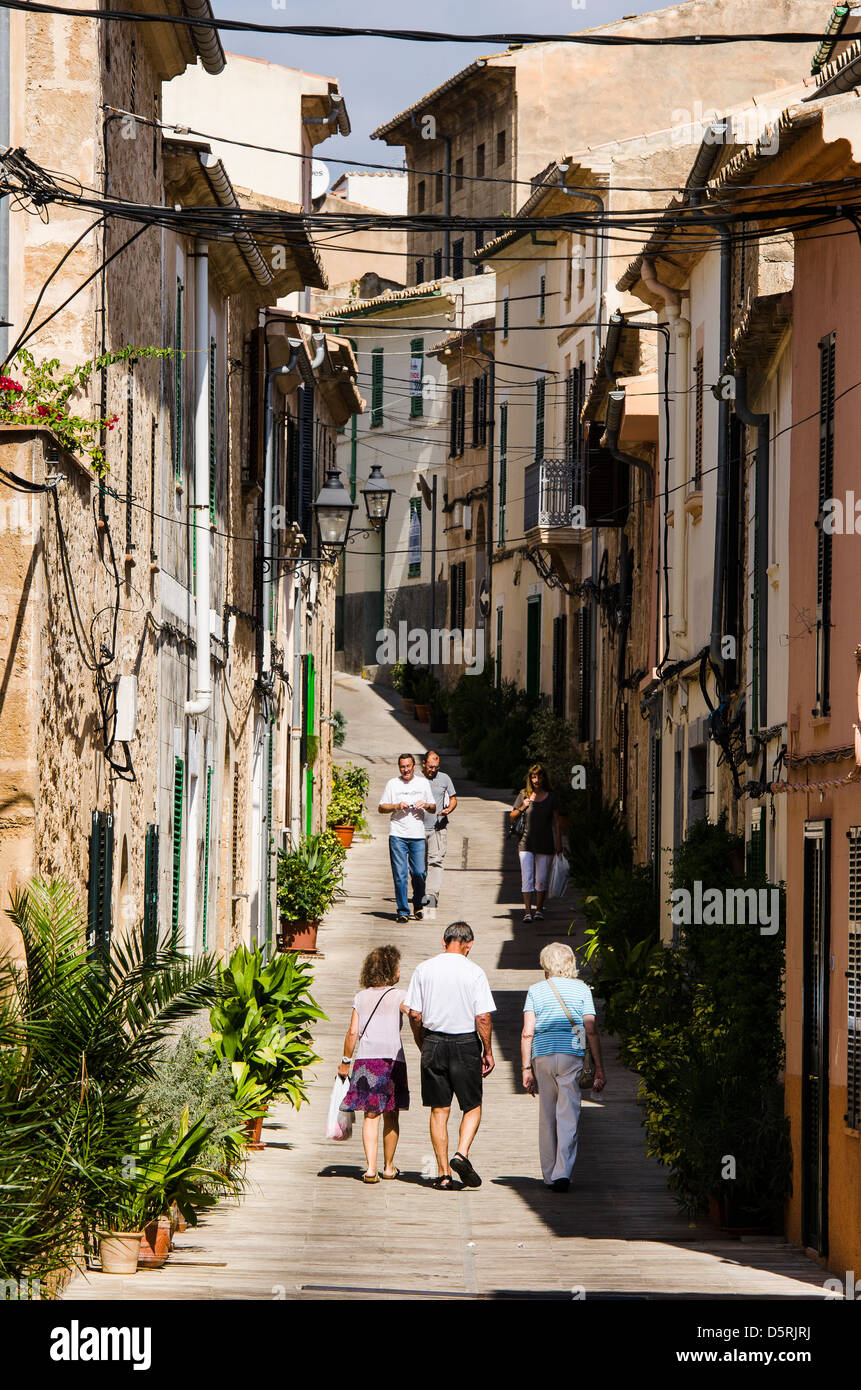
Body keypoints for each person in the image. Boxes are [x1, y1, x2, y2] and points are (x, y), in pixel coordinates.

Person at [404, 921, 496, 1190]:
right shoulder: (475, 972)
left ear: (444, 942)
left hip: (433, 1041)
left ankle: (443, 1173)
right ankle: (461, 1154)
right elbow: (483, 1017)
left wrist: (420, 1038)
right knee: (472, 1106)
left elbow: (414, 1013)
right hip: (465, 1043)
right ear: (469, 945)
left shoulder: (424, 969)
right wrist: (487, 1051)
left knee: (438, 1110)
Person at [520, 941, 605, 1192]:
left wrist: (526, 1069)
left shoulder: (536, 990)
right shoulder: (582, 990)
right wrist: (599, 1066)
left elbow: (527, 1032)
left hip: (543, 1056)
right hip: (571, 1055)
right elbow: (589, 1028)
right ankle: (562, 1173)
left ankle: (548, 1174)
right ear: (570, 964)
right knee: (568, 1115)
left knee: (546, 1115)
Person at [338, 945, 411, 1183]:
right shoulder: (399, 995)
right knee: (391, 1113)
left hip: (366, 1061)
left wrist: (345, 1062)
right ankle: (389, 1167)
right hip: (392, 1059)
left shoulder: (360, 997)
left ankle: (370, 1169)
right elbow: (413, 1013)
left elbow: (352, 1033)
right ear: (392, 970)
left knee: (371, 1114)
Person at [378, 753, 435, 922]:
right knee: (400, 875)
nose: (405, 770)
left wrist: (424, 804)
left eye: (408, 766)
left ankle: (418, 905)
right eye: (402, 767)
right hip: (398, 835)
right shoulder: (392, 784)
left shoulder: (423, 783)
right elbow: (381, 808)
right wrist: (396, 806)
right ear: (399, 768)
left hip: (417, 835)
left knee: (419, 873)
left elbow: (433, 807)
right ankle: (402, 911)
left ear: (414, 767)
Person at [509, 763, 562, 922]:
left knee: (541, 879)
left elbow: (557, 822)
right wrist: (523, 807)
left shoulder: (551, 796)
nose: (536, 780)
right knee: (527, 878)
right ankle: (527, 912)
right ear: (530, 778)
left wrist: (559, 843)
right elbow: (512, 816)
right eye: (533, 777)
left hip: (545, 843)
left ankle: (539, 909)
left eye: (539, 776)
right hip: (525, 843)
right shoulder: (524, 795)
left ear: (544, 778)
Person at [421, 749, 458, 911]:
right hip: (418, 829)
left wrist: (448, 810)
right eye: (430, 767)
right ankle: (420, 893)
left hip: (438, 828)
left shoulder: (444, 778)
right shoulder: (416, 779)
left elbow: (453, 799)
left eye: (436, 767)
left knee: (435, 861)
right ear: (424, 764)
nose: (433, 770)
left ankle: (431, 895)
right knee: (418, 865)